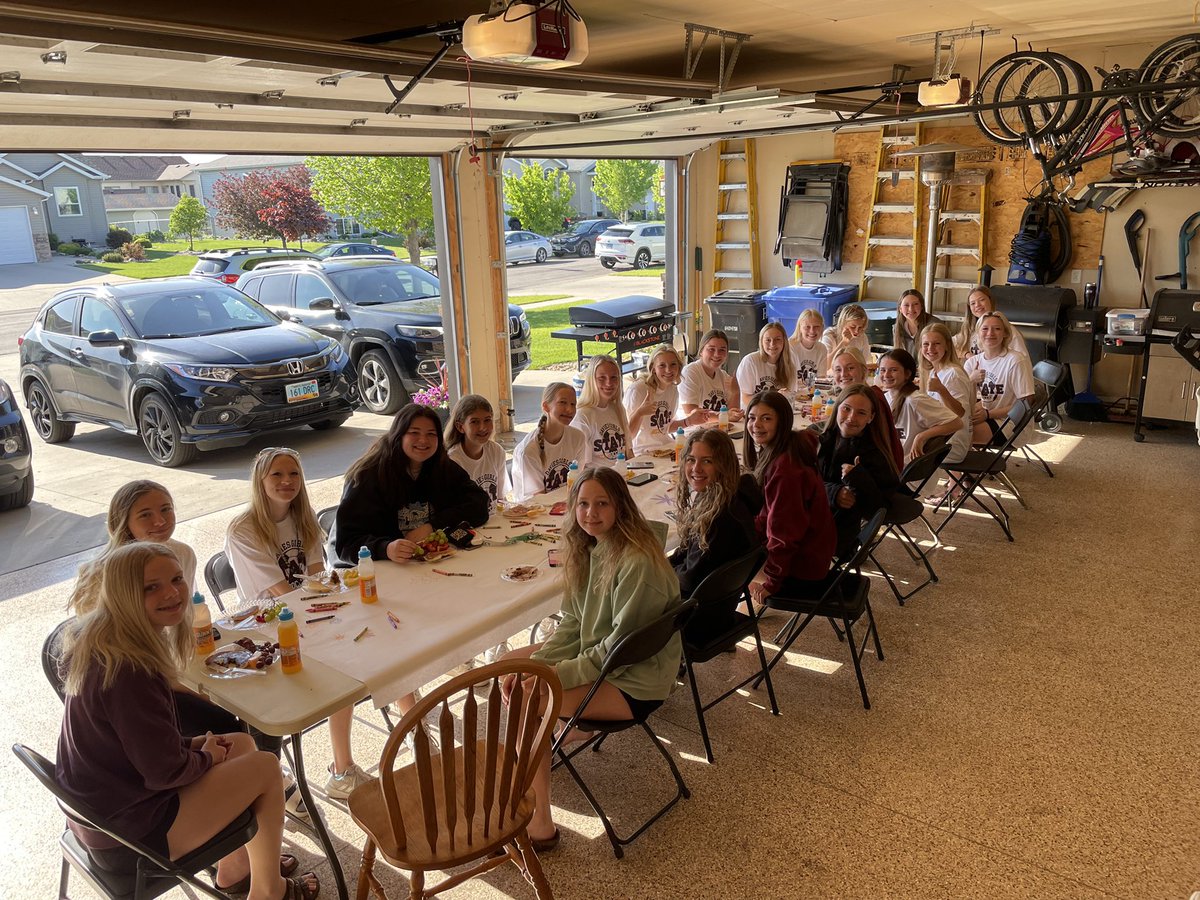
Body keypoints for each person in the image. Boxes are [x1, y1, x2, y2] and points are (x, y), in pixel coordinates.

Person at [56, 542, 319, 899]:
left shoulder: (104, 639)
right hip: (128, 840)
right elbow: (163, 772)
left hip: (109, 811)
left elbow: (132, 745)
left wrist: (196, 747)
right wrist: (205, 757)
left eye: (177, 579)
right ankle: (269, 891)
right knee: (265, 767)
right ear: (122, 594)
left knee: (239, 743)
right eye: (151, 587)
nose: (172, 593)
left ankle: (236, 870)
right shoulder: (130, 669)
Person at [501, 467, 682, 851]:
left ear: (621, 507)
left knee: (527, 698)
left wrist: (550, 677)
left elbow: (612, 653)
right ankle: (532, 767)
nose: (590, 513)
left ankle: (539, 823)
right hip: (609, 664)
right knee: (515, 671)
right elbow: (573, 623)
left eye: (602, 503)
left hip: (635, 682)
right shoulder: (592, 547)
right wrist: (543, 664)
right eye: (582, 503)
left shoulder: (636, 563)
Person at [227, 448, 367, 801]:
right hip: (265, 630)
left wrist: (333, 597)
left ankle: (342, 767)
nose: (287, 482)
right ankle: (294, 775)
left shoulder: (302, 517)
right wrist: (327, 603)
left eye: (294, 474)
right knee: (341, 664)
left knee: (353, 660)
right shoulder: (243, 530)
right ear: (260, 481)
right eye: (277, 475)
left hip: (307, 614)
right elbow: (281, 593)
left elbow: (318, 574)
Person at [742, 391, 836, 604]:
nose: (756, 425)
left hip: (803, 568)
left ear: (782, 422)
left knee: (719, 559)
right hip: (813, 553)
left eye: (767, 418)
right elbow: (771, 515)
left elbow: (784, 534)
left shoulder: (785, 469)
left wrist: (772, 582)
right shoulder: (789, 448)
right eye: (752, 417)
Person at [670, 429, 762, 643]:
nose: (696, 469)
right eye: (691, 459)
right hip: (721, 609)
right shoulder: (732, 497)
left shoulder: (720, 519)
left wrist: (659, 573)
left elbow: (688, 579)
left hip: (696, 621)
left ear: (723, 464)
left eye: (707, 461)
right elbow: (690, 555)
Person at [68, 480, 196, 617]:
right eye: (145, 515)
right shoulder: (100, 573)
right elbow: (93, 632)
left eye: (166, 509)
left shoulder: (183, 553)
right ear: (123, 522)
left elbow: (185, 615)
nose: (160, 521)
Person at [817, 385, 901, 560]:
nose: (851, 418)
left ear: (871, 418)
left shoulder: (874, 454)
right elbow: (802, 485)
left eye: (861, 413)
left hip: (837, 528)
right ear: (837, 408)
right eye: (846, 409)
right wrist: (834, 492)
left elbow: (879, 507)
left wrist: (857, 478)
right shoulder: (821, 440)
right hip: (815, 512)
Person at [624, 344, 713, 454]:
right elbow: (627, 437)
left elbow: (665, 428)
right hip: (642, 453)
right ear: (653, 368)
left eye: (673, 365)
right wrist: (639, 413)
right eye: (662, 365)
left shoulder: (672, 389)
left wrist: (689, 420)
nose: (668, 370)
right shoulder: (638, 390)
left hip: (666, 448)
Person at [963, 311, 1035, 446]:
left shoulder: (1015, 360)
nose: (990, 333)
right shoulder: (972, 363)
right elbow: (962, 398)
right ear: (977, 334)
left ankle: (970, 465)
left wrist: (988, 414)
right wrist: (971, 381)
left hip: (1010, 422)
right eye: (985, 329)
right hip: (984, 414)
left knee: (959, 436)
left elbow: (1026, 403)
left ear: (1005, 333)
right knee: (950, 428)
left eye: (997, 329)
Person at [876, 349, 961, 463]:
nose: (886, 375)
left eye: (894, 370)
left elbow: (956, 423)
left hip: (906, 469)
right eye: (882, 370)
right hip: (890, 464)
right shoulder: (885, 398)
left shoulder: (914, 400)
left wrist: (921, 437)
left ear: (907, 374)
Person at [828, 348, 906, 468]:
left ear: (863, 370)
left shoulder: (871, 400)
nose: (844, 374)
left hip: (872, 471)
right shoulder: (868, 393)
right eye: (838, 369)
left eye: (850, 368)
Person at [512, 382, 587, 500]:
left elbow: (577, 481)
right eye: (563, 402)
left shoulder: (578, 438)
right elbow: (540, 499)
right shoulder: (528, 450)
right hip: (535, 510)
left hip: (566, 504)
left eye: (573, 404)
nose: (569, 409)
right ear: (546, 406)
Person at [918, 322, 975, 467]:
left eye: (936, 343)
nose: (930, 349)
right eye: (926, 344)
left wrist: (941, 390)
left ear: (947, 346)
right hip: (940, 437)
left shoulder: (953, 374)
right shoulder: (934, 371)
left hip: (950, 444)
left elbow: (960, 412)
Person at [445, 394, 509, 514]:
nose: (482, 427)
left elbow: (500, 499)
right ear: (460, 427)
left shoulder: (496, 451)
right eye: (474, 422)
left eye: (487, 420)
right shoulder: (453, 460)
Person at [572, 355, 632, 465]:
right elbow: (581, 467)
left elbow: (629, 453)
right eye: (602, 378)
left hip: (623, 476)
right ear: (591, 380)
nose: (609, 383)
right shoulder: (583, 415)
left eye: (614, 377)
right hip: (598, 479)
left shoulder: (618, 408)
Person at [679, 330, 744, 421]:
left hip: (717, 430)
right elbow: (691, 412)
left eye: (722, 350)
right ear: (701, 351)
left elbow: (733, 415)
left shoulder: (723, 376)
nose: (717, 354)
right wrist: (721, 416)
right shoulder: (690, 372)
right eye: (711, 349)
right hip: (695, 431)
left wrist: (735, 392)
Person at [953, 284, 1029, 360]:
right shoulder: (968, 330)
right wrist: (967, 355)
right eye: (973, 303)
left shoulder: (1009, 330)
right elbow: (947, 345)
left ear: (990, 301)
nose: (977, 305)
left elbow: (1022, 359)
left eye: (982, 300)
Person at [736, 321, 798, 406]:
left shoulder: (790, 363)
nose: (772, 344)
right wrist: (772, 399)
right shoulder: (750, 361)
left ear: (784, 342)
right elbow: (745, 398)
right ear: (761, 342)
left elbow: (791, 396)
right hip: (754, 414)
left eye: (778, 339)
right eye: (768, 340)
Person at [821, 304, 872, 373]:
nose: (856, 331)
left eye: (860, 327)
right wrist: (843, 343)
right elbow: (825, 366)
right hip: (832, 377)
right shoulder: (830, 335)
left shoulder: (862, 336)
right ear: (843, 322)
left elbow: (867, 362)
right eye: (853, 327)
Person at [893, 289, 941, 358]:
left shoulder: (934, 325)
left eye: (915, 304)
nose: (911, 309)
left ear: (922, 306)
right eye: (906, 305)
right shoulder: (897, 328)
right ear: (900, 308)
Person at [789, 308, 828, 387]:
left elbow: (820, 378)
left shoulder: (822, 349)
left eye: (816, 326)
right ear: (800, 328)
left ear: (822, 327)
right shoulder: (789, 346)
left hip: (810, 393)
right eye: (807, 327)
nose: (812, 331)